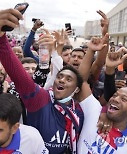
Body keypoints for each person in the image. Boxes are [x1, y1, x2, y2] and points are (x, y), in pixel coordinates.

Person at [0, 7, 84, 154]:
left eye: (68, 79)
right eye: (59, 76)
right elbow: (19, 76)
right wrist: (1, 39)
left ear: (76, 89)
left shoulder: (78, 112)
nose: (61, 80)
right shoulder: (41, 99)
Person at [76, 36, 127, 154]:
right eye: (115, 95)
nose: (115, 99)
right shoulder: (94, 112)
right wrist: (91, 50)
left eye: (124, 99)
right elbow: (81, 81)